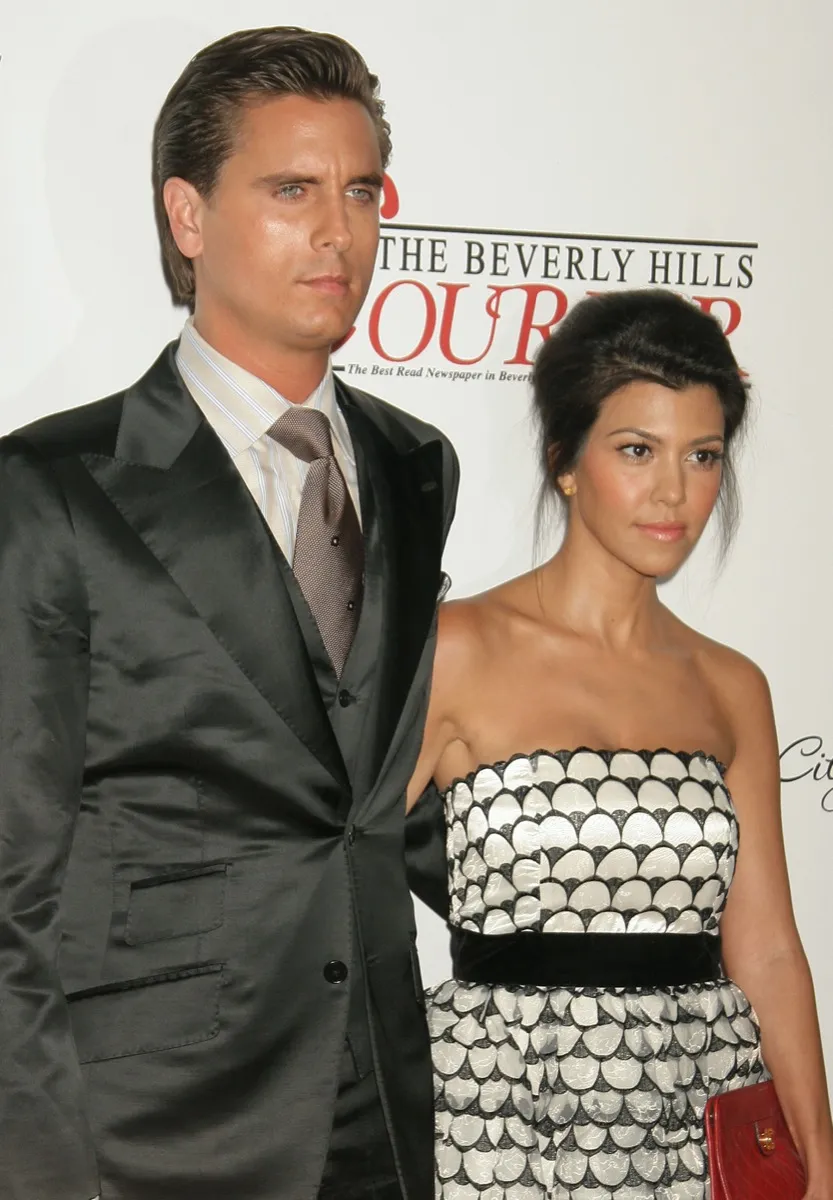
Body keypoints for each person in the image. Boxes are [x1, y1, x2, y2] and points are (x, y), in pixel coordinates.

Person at [0, 27, 458, 1200]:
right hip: (152, 1130)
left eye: (360, 191)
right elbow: (10, 885)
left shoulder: (416, 464)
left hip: (383, 1115)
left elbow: (373, 787)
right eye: (290, 190)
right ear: (187, 216)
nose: (337, 230)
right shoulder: (51, 486)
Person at [408, 289, 833, 1199]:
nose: (673, 492)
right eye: (637, 450)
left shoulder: (731, 686)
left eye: (701, 456)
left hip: (698, 1117)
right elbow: (333, 887)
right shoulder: (455, 651)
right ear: (564, 460)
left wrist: (819, 1160)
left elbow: (765, 950)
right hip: (496, 1124)